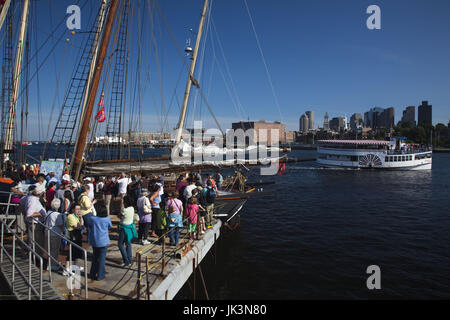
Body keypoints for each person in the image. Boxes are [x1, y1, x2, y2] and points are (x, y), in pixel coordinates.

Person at [88, 207, 112, 281]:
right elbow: (110, 226)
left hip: (95, 241)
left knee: (95, 257)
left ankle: (92, 273)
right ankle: (100, 275)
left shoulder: (93, 219)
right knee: (102, 259)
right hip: (104, 241)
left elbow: (88, 224)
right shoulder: (107, 219)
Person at [44, 198, 64, 271]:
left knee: (47, 248)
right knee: (54, 249)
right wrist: (63, 231)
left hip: (47, 232)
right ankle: (53, 265)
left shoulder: (48, 212)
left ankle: (46, 264)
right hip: (55, 233)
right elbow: (60, 225)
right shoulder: (57, 214)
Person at [64, 205, 84, 276]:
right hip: (72, 236)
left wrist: (81, 217)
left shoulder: (77, 216)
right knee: (70, 253)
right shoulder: (70, 216)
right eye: (77, 209)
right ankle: (66, 269)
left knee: (77, 252)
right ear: (73, 210)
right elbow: (76, 226)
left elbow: (81, 224)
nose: (78, 211)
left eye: (79, 209)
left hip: (77, 236)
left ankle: (75, 266)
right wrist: (81, 226)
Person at [118, 196, 137, 267]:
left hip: (124, 228)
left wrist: (121, 207)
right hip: (130, 228)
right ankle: (129, 260)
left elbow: (120, 216)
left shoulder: (124, 210)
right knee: (128, 244)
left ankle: (126, 260)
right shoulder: (132, 208)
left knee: (120, 244)